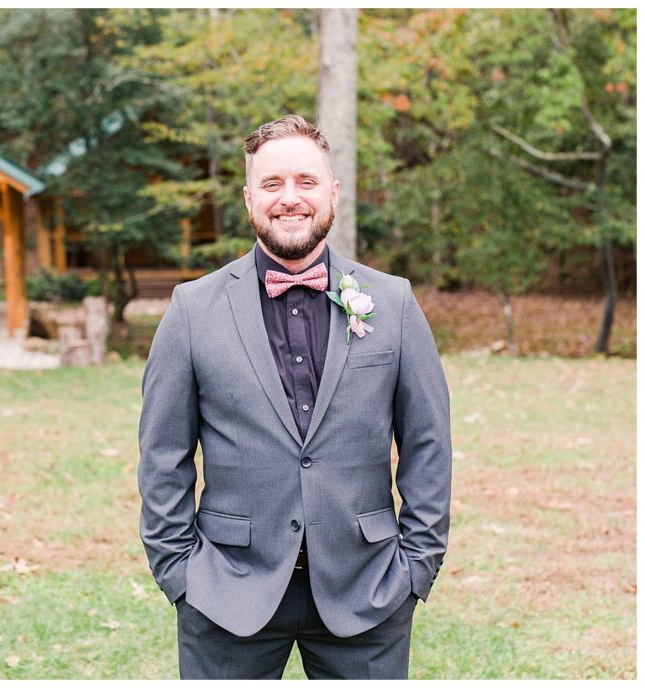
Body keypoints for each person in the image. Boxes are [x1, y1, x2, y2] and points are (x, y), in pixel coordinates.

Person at [137, 114, 452, 680]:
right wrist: (179, 572)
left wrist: (417, 567)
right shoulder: (191, 309)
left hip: (369, 588)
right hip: (226, 592)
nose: (290, 199)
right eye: (272, 184)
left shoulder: (394, 302)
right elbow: (163, 455)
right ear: (249, 198)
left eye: (306, 182)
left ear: (332, 193)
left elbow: (428, 442)